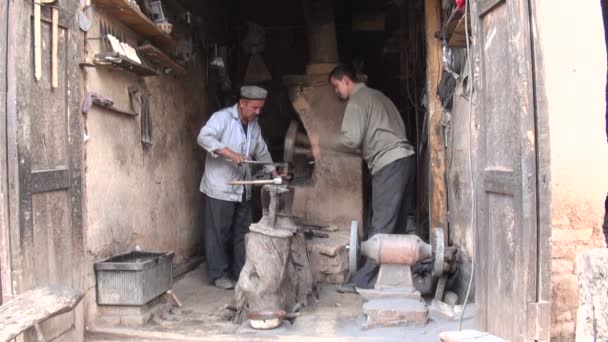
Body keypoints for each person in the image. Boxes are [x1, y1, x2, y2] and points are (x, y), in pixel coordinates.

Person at [313, 64, 416, 292]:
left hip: (388, 163)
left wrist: (324, 143)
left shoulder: (357, 101)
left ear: (346, 81)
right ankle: (392, 279)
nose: (336, 92)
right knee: (396, 225)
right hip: (405, 160)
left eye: (336, 86)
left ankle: (364, 282)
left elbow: (351, 140)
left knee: (381, 225)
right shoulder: (379, 97)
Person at [197, 85, 279, 289]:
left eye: (260, 108)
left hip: (243, 188)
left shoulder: (254, 125)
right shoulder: (222, 118)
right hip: (221, 187)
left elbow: (262, 151)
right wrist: (231, 154)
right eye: (254, 108)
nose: (258, 112)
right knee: (219, 233)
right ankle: (218, 274)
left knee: (242, 232)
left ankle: (241, 271)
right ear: (242, 104)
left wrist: (275, 174)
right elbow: (203, 137)